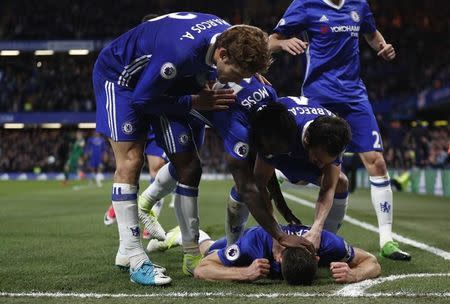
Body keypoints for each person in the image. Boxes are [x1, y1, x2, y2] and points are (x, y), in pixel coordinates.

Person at [93, 12, 272, 285]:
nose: (239, 81)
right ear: (222, 55)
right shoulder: (177, 55)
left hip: (167, 81)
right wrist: (193, 102)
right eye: (238, 74)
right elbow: (143, 100)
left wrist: (251, 73)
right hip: (122, 79)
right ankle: (134, 256)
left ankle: (179, 253)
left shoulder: (229, 36)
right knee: (131, 160)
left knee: (190, 166)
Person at [269, 0, 410, 260]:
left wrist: (383, 47)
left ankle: (387, 240)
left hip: (354, 96)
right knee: (325, 170)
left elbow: (372, 33)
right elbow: (270, 41)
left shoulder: (360, 5)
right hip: (319, 95)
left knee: (377, 162)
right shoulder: (304, 5)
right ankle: (281, 173)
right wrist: (283, 43)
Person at [137, 77, 315, 276]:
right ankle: (189, 253)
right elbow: (248, 189)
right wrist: (280, 236)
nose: (271, 154)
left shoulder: (270, 100)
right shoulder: (238, 130)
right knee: (190, 169)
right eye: (271, 149)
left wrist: (283, 208)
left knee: (186, 165)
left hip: (204, 106)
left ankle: (151, 207)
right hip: (175, 99)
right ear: (259, 136)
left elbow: (267, 161)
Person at [250, 98, 351, 251]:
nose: (322, 165)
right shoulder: (280, 130)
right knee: (247, 187)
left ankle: (324, 239)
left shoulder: (336, 135)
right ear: (307, 138)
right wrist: (276, 236)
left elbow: (329, 187)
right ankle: (232, 240)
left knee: (341, 182)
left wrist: (316, 230)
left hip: (303, 158)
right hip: (283, 153)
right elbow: (260, 184)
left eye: (326, 161)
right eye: (318, 158)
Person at [151, 224, 381, 284]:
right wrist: (245, 273)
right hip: (249, 236)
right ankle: (181, 236)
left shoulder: (326, 242)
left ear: (317, 257)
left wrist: (355, 275)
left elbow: (371, 261)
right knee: (208, 247)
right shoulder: (253, 245)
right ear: (278, 258)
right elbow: (202, 268)